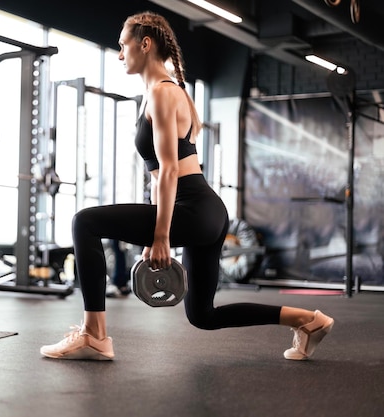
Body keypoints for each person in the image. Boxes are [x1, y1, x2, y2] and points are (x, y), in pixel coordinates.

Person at [40, 11, 334, 361]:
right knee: (202, 315)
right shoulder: (167, 91)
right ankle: (307, 320)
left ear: (144, 44)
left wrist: (161, 236)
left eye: (123, 45)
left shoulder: (163, 94)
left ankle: (94, 334)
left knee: (85, 222)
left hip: (191, 208)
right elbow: (161, 175)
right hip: (205, 210)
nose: (119, 55)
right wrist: (156, 231)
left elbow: (167, 172)